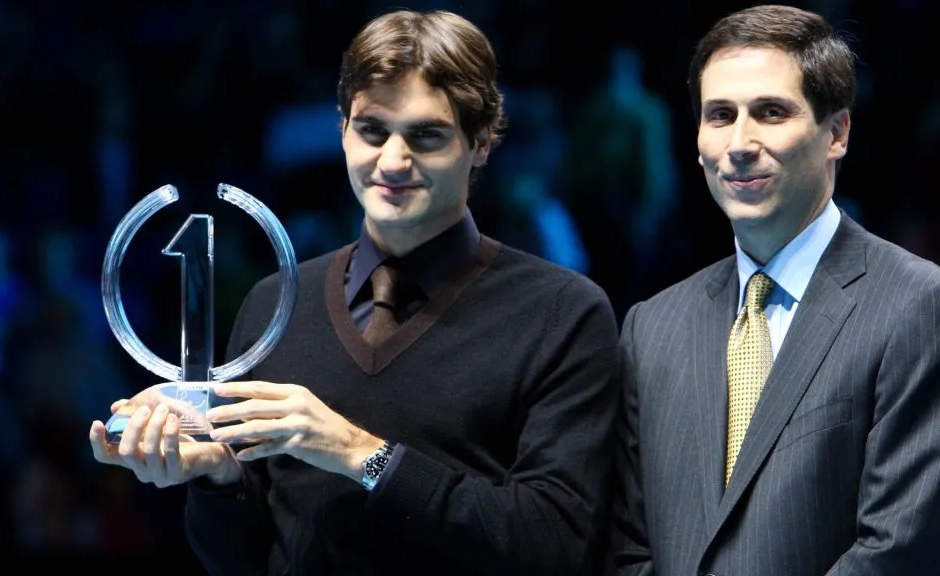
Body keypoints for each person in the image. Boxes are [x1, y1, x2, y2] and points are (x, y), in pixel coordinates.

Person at [89, 9, 620, 575]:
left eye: (426, 136)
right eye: (372, 130)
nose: (392, 160)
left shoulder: (562, 313)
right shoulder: (274, 306)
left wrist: (357, 452)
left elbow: (556, 543)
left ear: (482, 142)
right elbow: (242, 559)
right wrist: (217, 478)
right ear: (342, 129)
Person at [609, 5, 940, 575]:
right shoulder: (651, 325)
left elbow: (897, 554)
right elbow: (626, 549)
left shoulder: (924, 309)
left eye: (770, 112)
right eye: (720, 115)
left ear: (836, 132)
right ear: (696, 140)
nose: (739, 142)